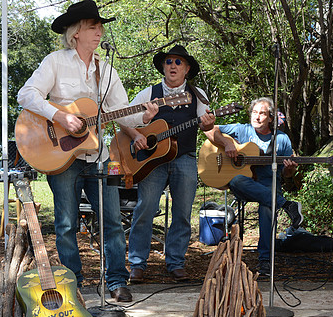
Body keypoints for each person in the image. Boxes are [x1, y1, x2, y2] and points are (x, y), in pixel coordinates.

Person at [17, 0, 158, 302]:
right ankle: (73, 286)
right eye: (93, 26)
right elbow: (26, 94)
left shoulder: (106, 70)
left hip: (98, 157)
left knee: (111, 221)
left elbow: (121, 112)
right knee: (66, 224)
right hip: (61, 157)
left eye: (100, 27)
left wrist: (144, 117)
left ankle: (117, 281)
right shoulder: (55, 61)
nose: (99, 32)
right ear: (76, 32)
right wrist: (61, 116)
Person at [126, 45, 216, 283]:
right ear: (163, 67)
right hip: (152, 161)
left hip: (184, 157)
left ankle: (175, 262)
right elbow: (125, 119)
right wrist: (137, 135)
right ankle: (137, 263)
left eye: (178, 62)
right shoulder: (149, 93)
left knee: (183, 213)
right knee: (145, 209)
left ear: (186, 69)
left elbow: (207, 127)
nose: (173, 65)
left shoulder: (199, 95)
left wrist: (207, 124)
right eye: (169, 62)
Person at [204, 97, 303, 277]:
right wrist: (227, 143)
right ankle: (286, 204)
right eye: (255, 112)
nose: (257, 117)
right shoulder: (242, 129)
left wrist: (290, 169)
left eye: (262, 113)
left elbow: (287, 175)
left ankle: (265, 261)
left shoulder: (281, 139)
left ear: (271, 119)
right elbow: (210, 129)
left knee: (267, 206)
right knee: (236, 180)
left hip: (269, 183)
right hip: (245, 184)